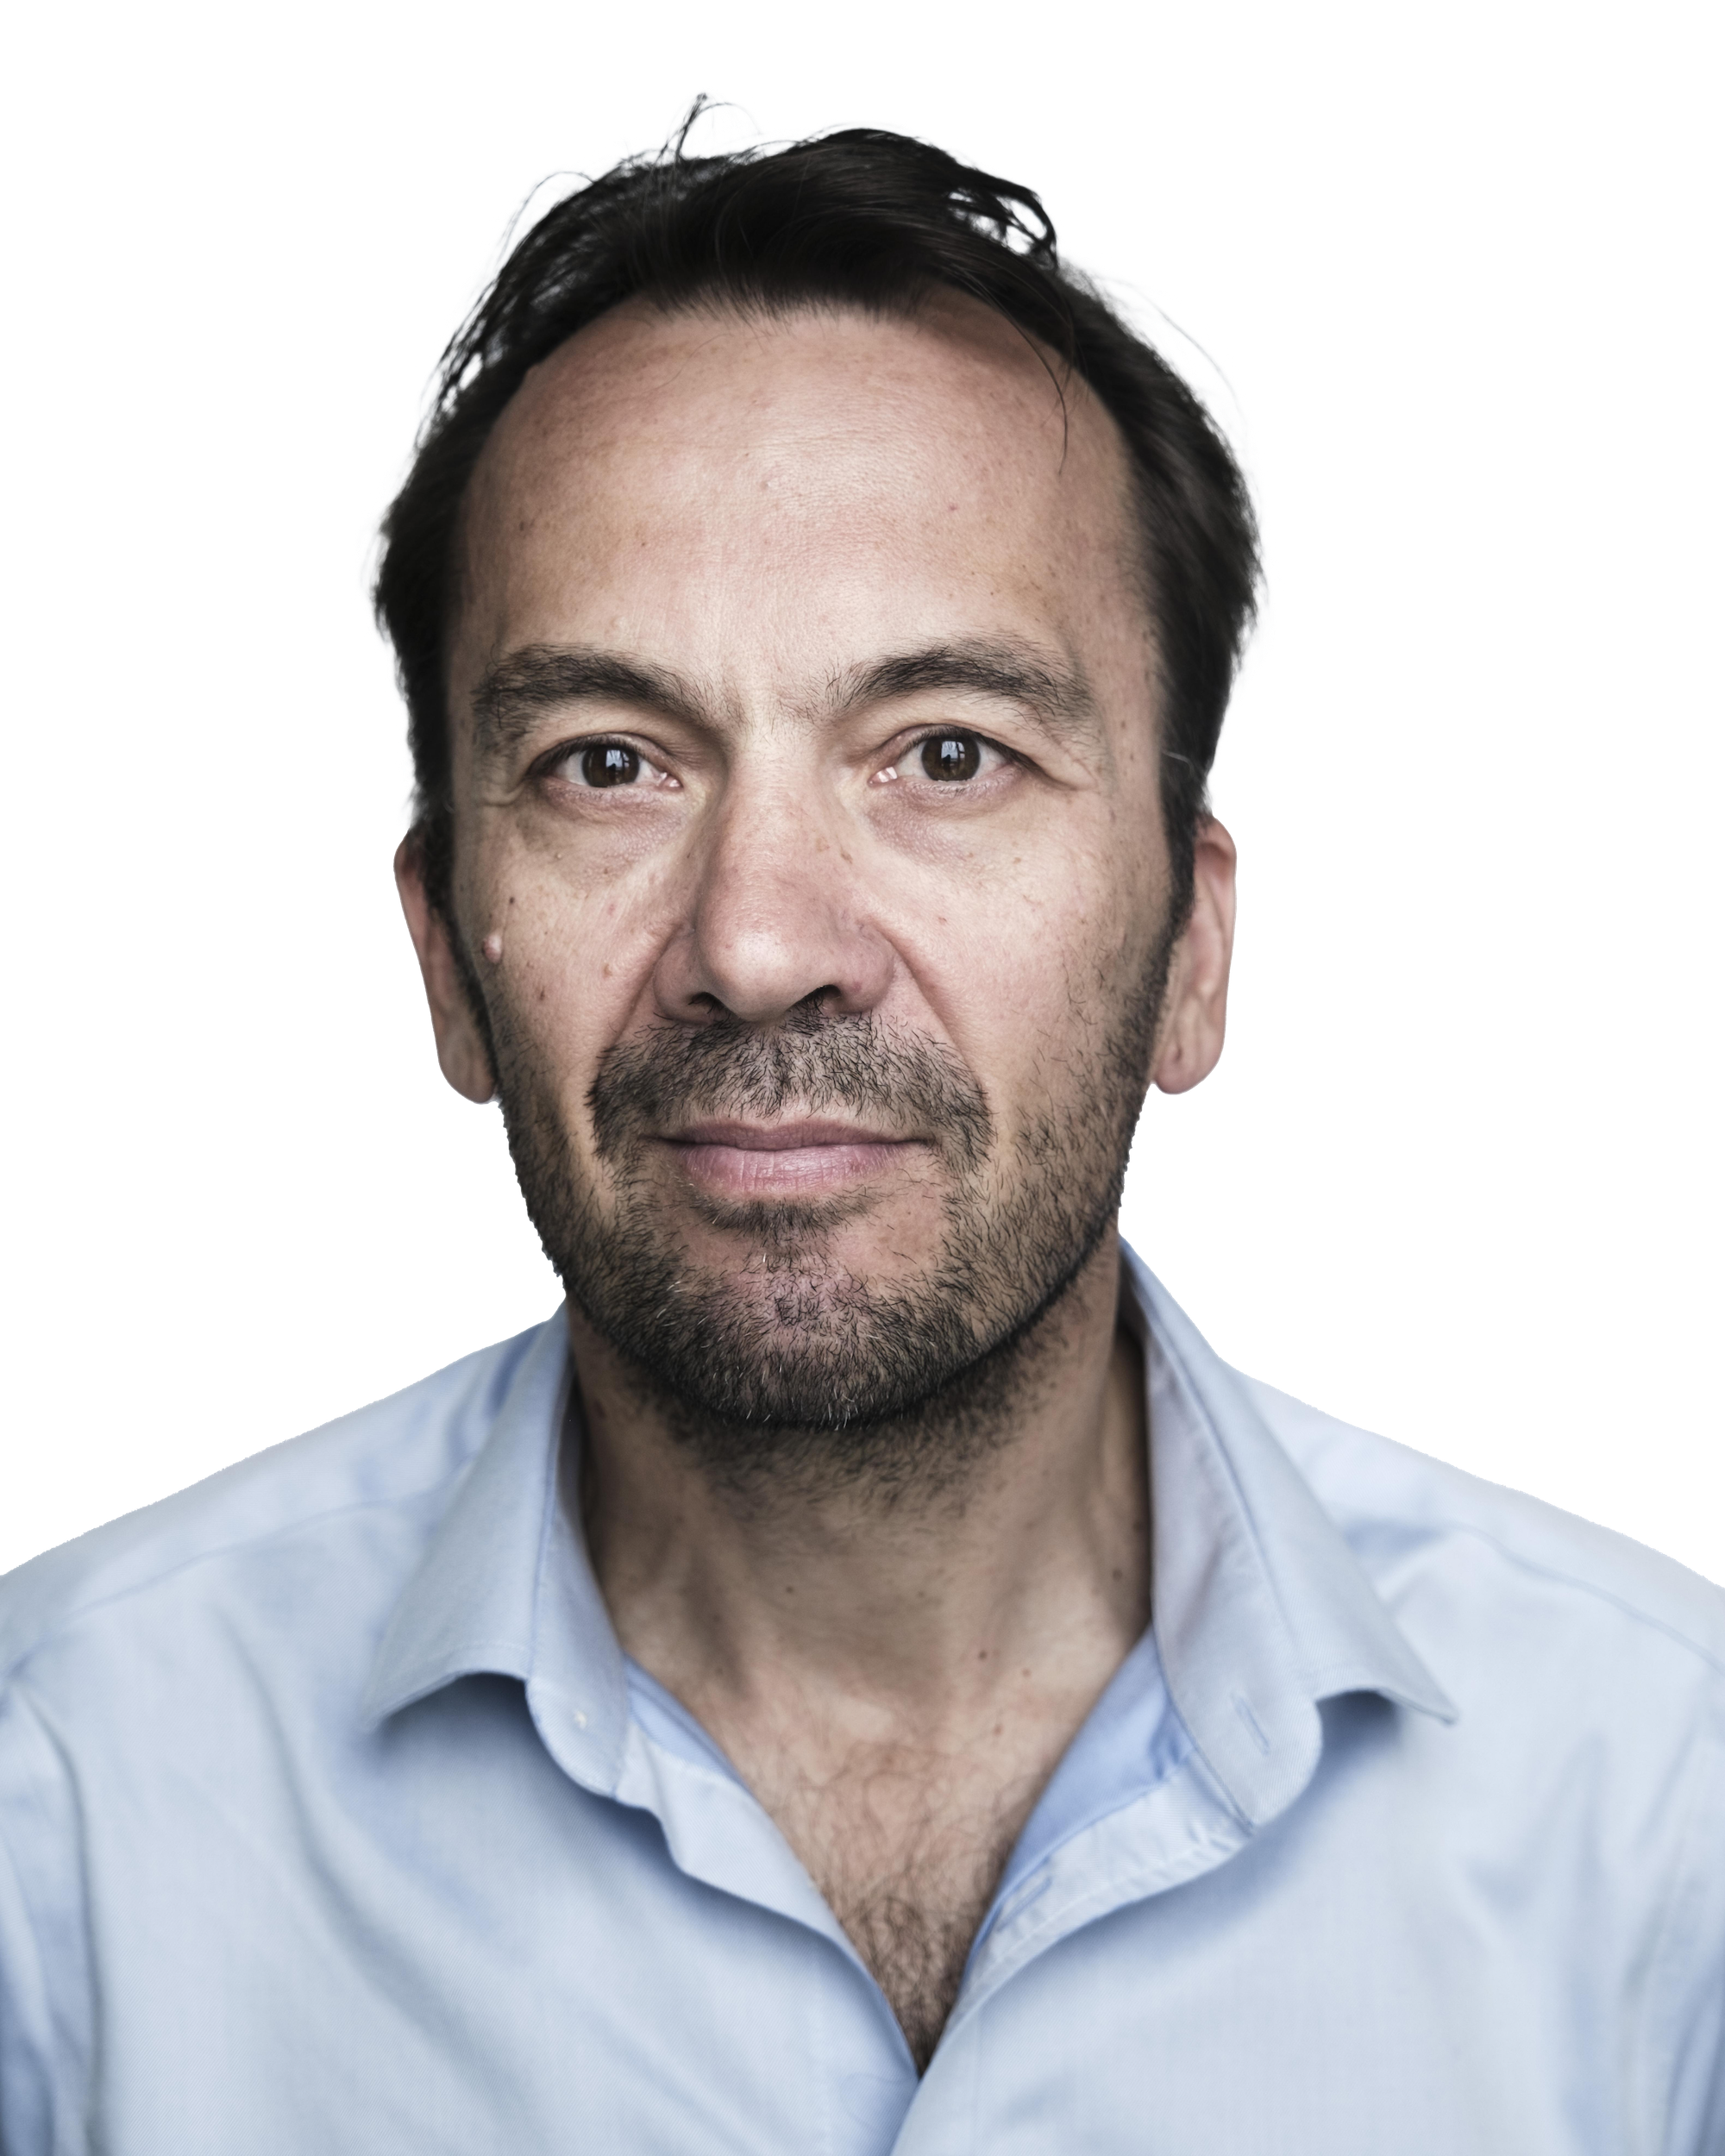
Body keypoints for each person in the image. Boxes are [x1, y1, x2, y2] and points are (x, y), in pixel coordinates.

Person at [2, 89, 1719, 2156]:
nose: (757, 943)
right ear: (444, 952)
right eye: (608, 760)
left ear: (1193, 944)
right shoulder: (63, 1791)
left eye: (948, 752)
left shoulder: (1663, 1795)